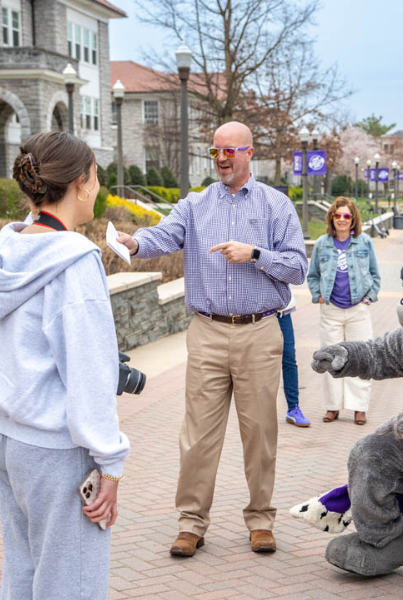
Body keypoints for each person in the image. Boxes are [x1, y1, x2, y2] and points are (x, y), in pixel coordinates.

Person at [116, 121, 307, 557]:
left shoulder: (275, 205)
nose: (221, 158)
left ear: (249, 153)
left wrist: (255, 255)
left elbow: (298, 268)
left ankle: (260, 521)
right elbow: (163, 235)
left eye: (229, 151)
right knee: (198, 436)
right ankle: (190, 523)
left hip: (260, 330)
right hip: (206, 331)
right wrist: (135, 241)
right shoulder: (196, 204)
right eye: (215, 151)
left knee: (259, 434)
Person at [0, 131, 129, 600]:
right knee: (70, 585)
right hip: (58, 452)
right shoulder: (73, 262)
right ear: (80, 182)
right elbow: (90, 371)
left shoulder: (6, 254)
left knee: (23, 578)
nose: (97, 187)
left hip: (8, 439)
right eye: (96, 177)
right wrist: (110, 463)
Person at [307, 197, 381, 425]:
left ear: (353, 219)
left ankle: (359, 407)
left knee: (361, 357)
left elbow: (375, 274)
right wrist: (318, 295)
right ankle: (332, 407)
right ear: (332, 217)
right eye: (337, 215)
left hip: (358, 309)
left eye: (346, 216)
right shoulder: (322, 243)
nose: (341, 219)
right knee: (330, 358)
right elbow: (313, 275)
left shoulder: (364, 242)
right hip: (331, 310)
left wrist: (369, 297)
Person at [278, 288, 309, 427]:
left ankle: (293, 409)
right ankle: (258, 411)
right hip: (257, 315)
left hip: (282, 313)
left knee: (289, 358)